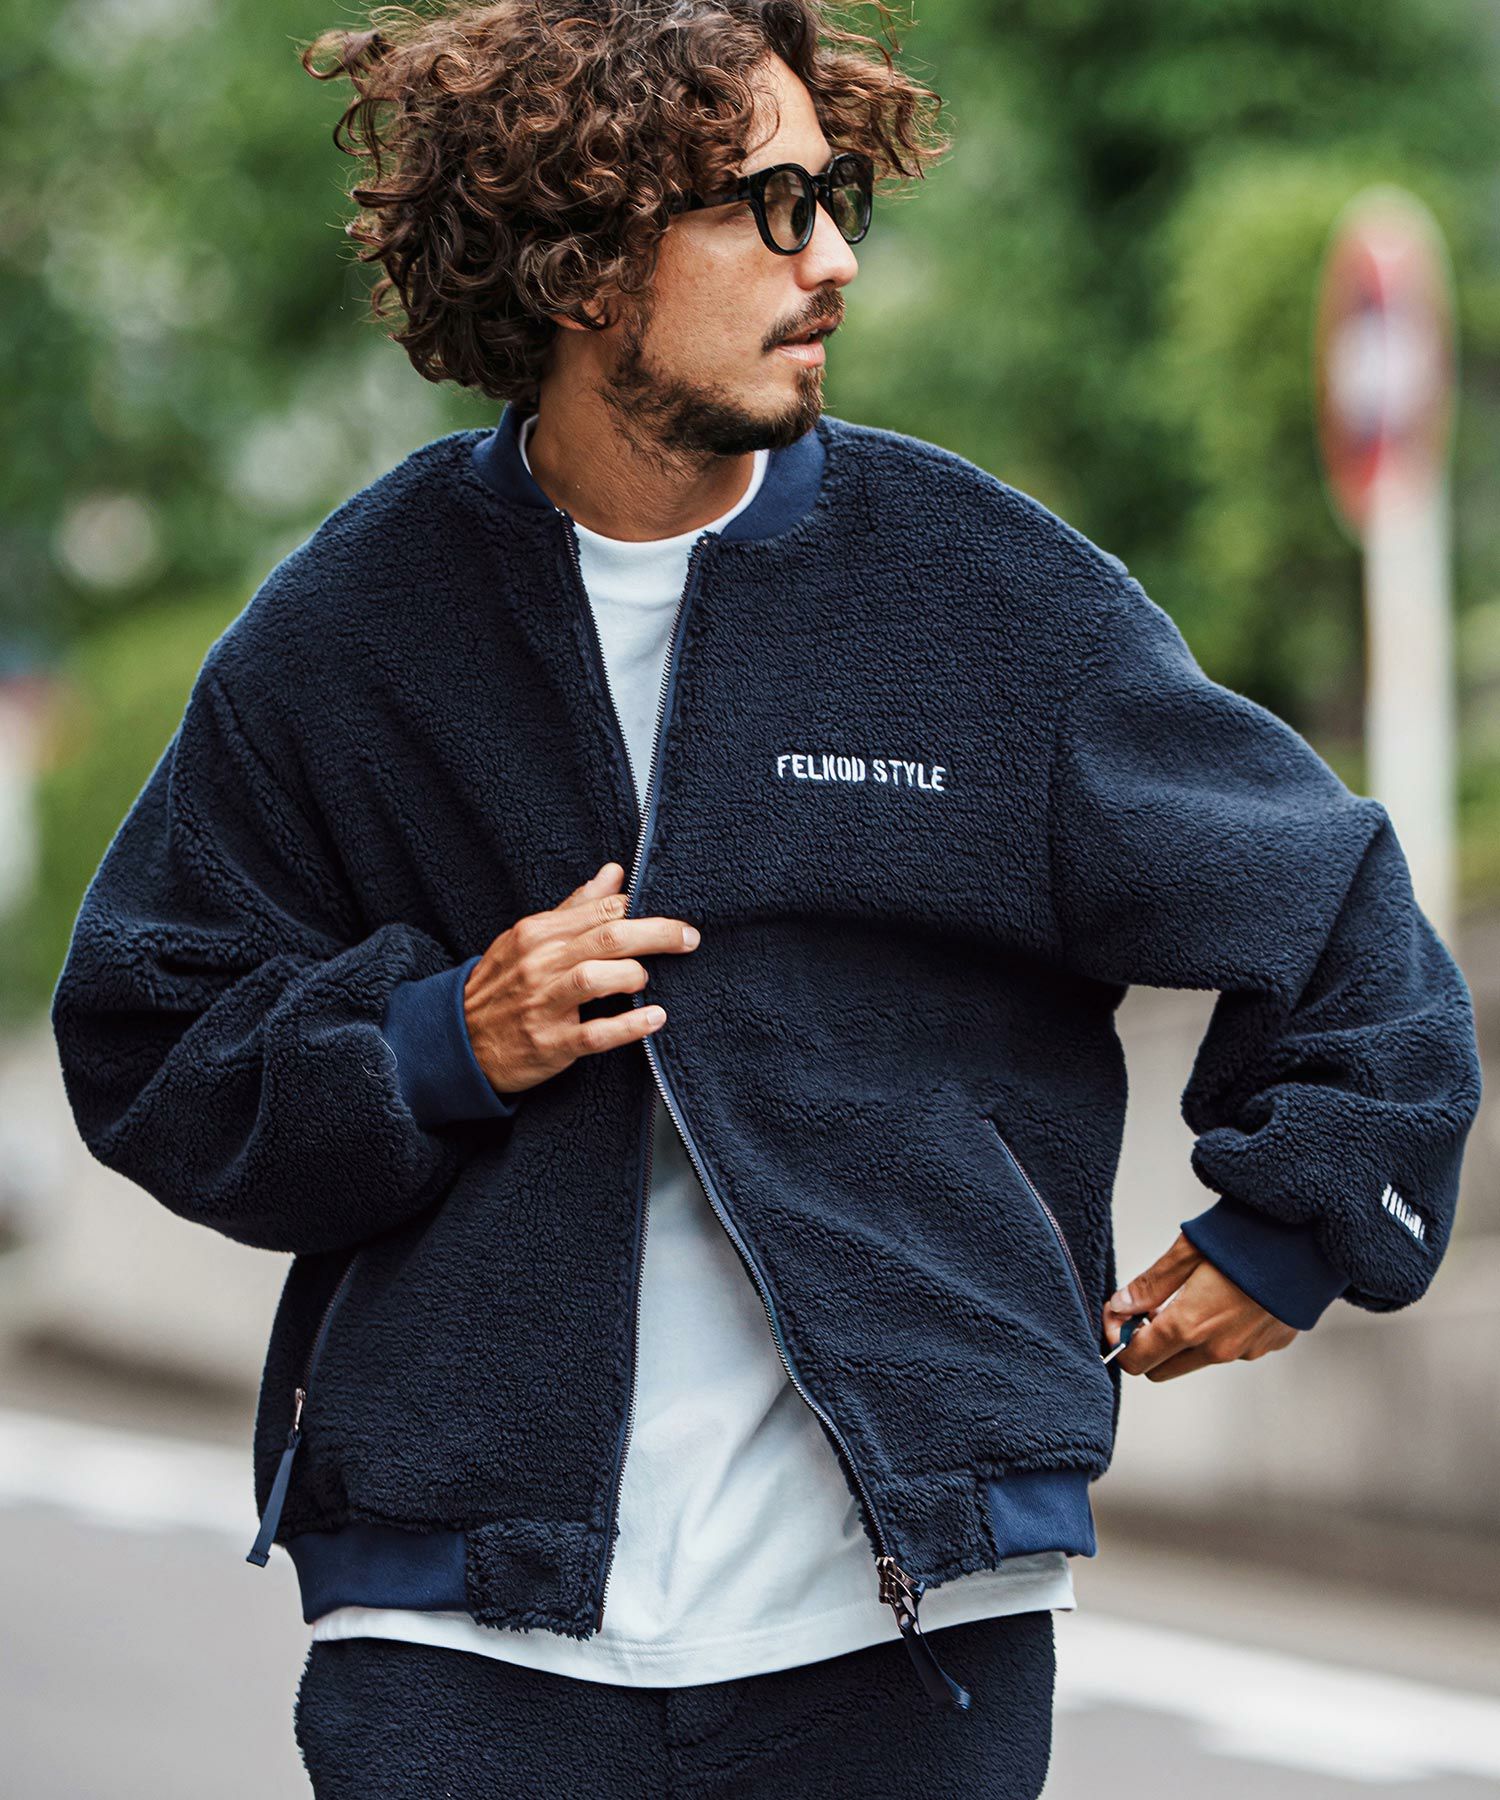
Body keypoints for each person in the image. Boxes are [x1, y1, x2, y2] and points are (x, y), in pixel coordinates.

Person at [49, 2, 1483, 1795]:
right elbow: (146, 1031)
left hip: (901, 1641)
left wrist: (1299, 1222)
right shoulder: (357, 629)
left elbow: (1336, 908)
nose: (834, 262)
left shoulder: (988, 599)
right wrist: (432, 1043)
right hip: (457, 1639)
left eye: (837, 198)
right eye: (770, 207)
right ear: (582, 258)